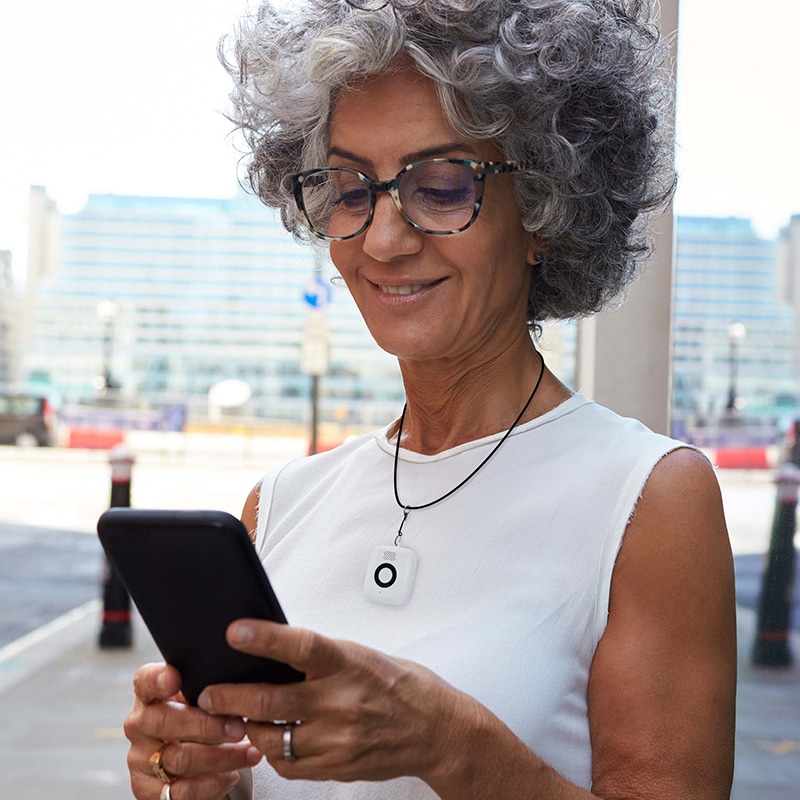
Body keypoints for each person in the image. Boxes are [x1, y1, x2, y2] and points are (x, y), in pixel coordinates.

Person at [124, 1, 737, 798]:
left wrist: (450, 743)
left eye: (443, 187)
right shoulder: (278, 506)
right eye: (349, 190)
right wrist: (196, 781)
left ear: (547, 212)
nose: (383, 239)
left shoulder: (649, 500)